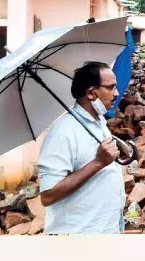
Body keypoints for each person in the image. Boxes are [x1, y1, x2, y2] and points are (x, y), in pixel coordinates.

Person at [37, 61, 124, 234]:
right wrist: (98, 162)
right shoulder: (63, 132)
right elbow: (48, 195)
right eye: (111, 88)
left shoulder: (99, 122)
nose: (117, 94)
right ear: (91, 93)